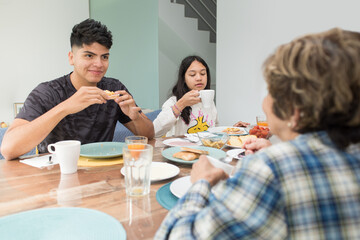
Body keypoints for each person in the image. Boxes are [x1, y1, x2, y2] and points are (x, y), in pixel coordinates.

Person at [155, 28, 360, 239]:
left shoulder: (272, 168)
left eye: (271, 91)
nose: (264, 103)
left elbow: (176, 236)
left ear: (294, 110)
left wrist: (200, 184)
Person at [1, 19, 154, 160]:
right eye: (89, 55)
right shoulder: (47, 92)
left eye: (105, 57)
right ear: (71, 58)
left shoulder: (114, 88)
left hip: (103, 171)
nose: (99, 64)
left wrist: (136, 118)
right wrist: (66, 107)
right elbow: (8, 149)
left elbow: (149, 135)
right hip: (55, 174)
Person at [154, 55, 218, 137]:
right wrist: (181, 104)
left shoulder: (209, 101)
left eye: (203, 73)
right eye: (192, 75)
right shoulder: (173, 102)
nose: (199, 78)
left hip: (205, 148)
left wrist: (233, 131)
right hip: (181, 148)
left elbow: (214, 127)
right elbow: (155, 132)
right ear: (184, 78)